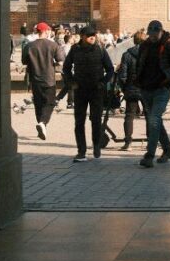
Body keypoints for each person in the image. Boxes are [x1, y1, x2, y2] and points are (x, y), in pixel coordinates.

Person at [61, 23, 114, 161]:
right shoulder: (75, 49)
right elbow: (66, 68)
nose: (92, 38)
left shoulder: (100, 49)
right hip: (80, 90)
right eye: (89, 36)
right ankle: (81, 151)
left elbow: (110, 69)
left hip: (96, 90)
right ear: (82, 37)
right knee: (79, 122)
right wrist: (72, 82)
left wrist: (103, 83)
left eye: (93, 35)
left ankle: (96, 145)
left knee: (96, 120)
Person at [135, 20, 170, 167]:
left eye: (155, 34)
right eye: (151, 34)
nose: (153, 36)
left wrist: (169, 84)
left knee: (153, 120)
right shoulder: (144, 46)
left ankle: (149, 155)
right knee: (156, 121)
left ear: (161, 32)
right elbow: (139, 64)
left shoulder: (168, 45)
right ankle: (168, 150)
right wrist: (139, 82)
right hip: (146, 88)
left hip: (162, 89)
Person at [22, 22, 62, 141]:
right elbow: (60, 61)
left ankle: (41, 125)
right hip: (49, 79)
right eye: (48, 30)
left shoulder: (29, 46)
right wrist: (53, 64)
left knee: (38, 104)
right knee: (50, 103)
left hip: (35, 79)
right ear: (45, 31)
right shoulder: (53, 45)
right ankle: (43, 123)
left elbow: (24, 61)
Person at [116, 30, 145, 150]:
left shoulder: (127, 54)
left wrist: (124, 88)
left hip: (131, 87)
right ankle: (152, 141)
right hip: (146, 88)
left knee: (129, 115)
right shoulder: (149, 54)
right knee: (149, 115)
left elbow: (123, 75)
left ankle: (128, 142)